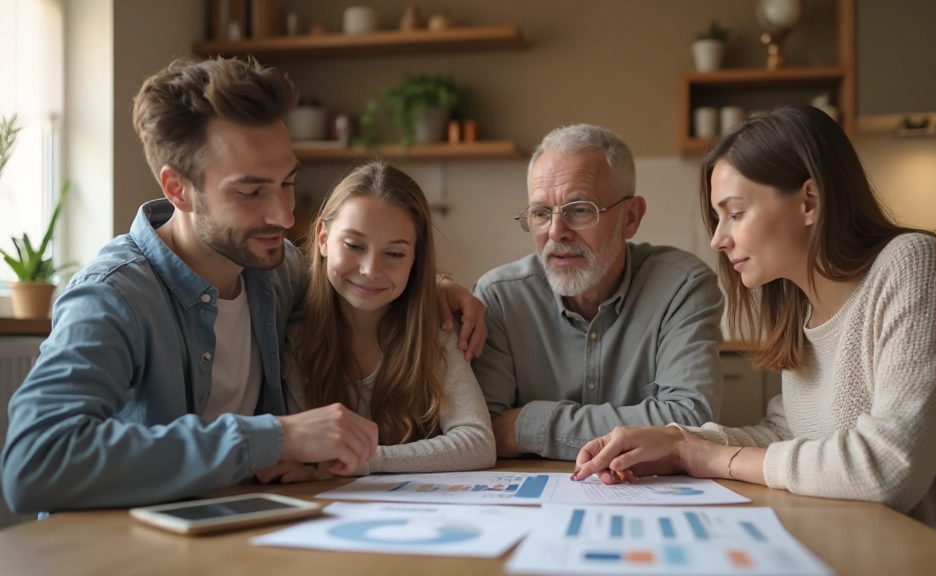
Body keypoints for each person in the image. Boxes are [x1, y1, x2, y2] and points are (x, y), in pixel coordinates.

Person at [1, 57, 486, 513]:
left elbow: (356, 277)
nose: (283, 214)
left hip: (242, 528)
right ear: (178, 190)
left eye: (287, 183)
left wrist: (435, 284)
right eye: (252, 191)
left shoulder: (275, 270)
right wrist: (274, 436)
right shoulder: (113, 297)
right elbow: (32, 462)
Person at [573, 105, 936, 563]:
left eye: (736, 213)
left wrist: (706, 458)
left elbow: (890, 465)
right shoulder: (799, 308)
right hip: (870, 556)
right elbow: (790, 432)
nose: (718, 239)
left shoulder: (911, 264)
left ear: (809, 201)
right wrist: (676, 441)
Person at [472, 124, 725, 461]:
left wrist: (525, 424)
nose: (556, 233)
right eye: (541, 213)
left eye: (579, 210)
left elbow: (692, 423)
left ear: (630, 218)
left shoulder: (681, 287)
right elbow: (480, 432)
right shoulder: (500, 299)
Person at [258, 161, 495, 483]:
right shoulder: (297, 336)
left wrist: (364, 460)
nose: (371, 269)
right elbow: (305, 453)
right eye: (354, 246)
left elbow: (477, 444)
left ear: (415, 260)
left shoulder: (436, 330)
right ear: (323, 238)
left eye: (395, 254)